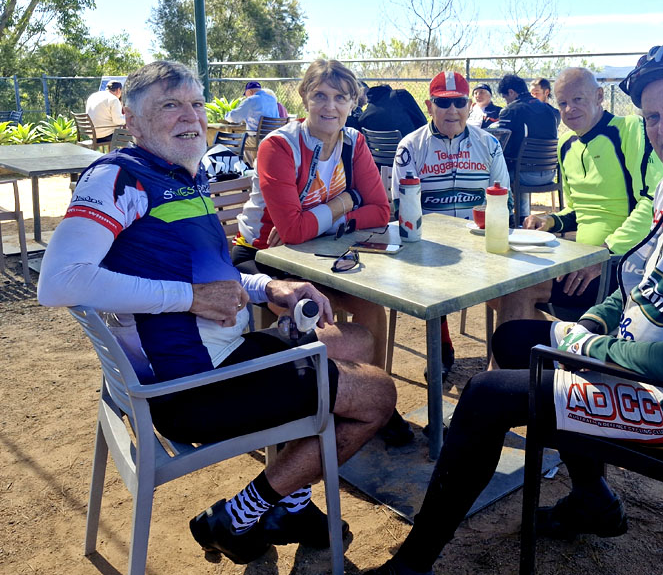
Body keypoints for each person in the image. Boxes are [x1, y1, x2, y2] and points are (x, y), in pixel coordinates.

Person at [364, 38, 663, 575]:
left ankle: (412, 565)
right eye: (652, 116)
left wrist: (588, 347)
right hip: (648, 373)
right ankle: (592, 497)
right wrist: (593, 322)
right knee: (512, 340)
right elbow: (640, 284)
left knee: (485, 396)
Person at [36, 61, 396, 566]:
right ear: (131, 120)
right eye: (170, 105)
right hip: (194, 387)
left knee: (356, 341)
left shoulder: (182, 174)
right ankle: (239, 514)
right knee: (378, 394)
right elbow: (59, 280)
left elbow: (216, 277)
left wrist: (270, 287)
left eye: (196, 104)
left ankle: (291, 505)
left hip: (222, 354)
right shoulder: (118, 177)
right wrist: (190, 298)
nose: (191, 117)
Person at [231, 60, 391, 368]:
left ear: (353, 103)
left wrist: (315, 223)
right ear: (304, 98)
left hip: (318, 252)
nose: (330, 107)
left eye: (340, 97)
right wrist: (350, 199)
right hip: (263, 255)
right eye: (320, 96)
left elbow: (381, 211)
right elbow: (292, 231)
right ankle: (326, 393)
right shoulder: (279, 145)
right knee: (315, 320)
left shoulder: (353, 142)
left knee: (371, 307)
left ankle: (376, 391)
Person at [489, 67, 663, 325]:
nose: (570, 109)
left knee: (517, 289)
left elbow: (655, 202)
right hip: (578, 259)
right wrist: (549, 221)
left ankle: (555, 343)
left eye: (578, 99)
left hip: (619, 264)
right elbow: (576, 210)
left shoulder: (629, 129)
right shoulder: (566, 144)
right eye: (562, 103)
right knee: (496, 281)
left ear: (599, 96)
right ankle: (566, 341)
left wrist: (604, 254)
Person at [391, 70, 510, 375]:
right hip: (431, 246)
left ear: (470, 105)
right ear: (429, 106)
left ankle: (505, 362)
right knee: (428, 268)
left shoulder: (489, 144)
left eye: (459, 102)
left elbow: (505, 201)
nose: (452, 110)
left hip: (480, 243)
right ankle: (442, 348)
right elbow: (401, 207)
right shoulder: (410, 146)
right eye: (443, 103)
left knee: (516, 288)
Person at [491, 73, 560, 220]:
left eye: (505, 97)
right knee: (522, 163)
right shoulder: (549, 110)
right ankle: (523, 217)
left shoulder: (510, 111)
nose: (506, 101)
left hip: (525, 176)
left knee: (496, 168)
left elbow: (505, 146)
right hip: (550, 172)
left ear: (511, 92)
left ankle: (506, 216)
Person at [359, 83, 428, 137]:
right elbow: (422, 121)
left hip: (381, 151)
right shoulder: (400, 95)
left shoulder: (365, 116)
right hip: (409, 147)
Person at [85, 80, 125, 144]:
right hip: (105, 135)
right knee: (132, 134)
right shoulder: (114, 99)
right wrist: (127, 119)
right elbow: (118, 121)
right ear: (118, 90)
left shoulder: (93, 96)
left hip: (92, 134)